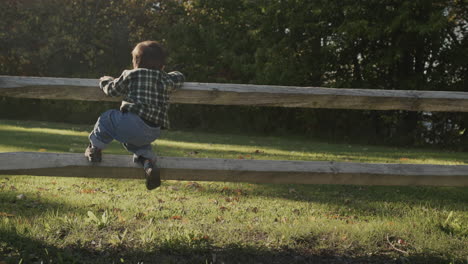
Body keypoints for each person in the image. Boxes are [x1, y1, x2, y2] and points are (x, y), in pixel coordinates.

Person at [84, 40, 184, 190]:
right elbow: (180, 77)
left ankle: (95, 148)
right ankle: (148, 163)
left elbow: (112, 90)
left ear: (135, 63)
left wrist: (105, 81)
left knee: (107, 118)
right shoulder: (165, 78)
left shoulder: (130, 74)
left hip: (132, 122)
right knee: (138, 145)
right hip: (153, 130)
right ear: (162, 66)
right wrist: (168, 72)